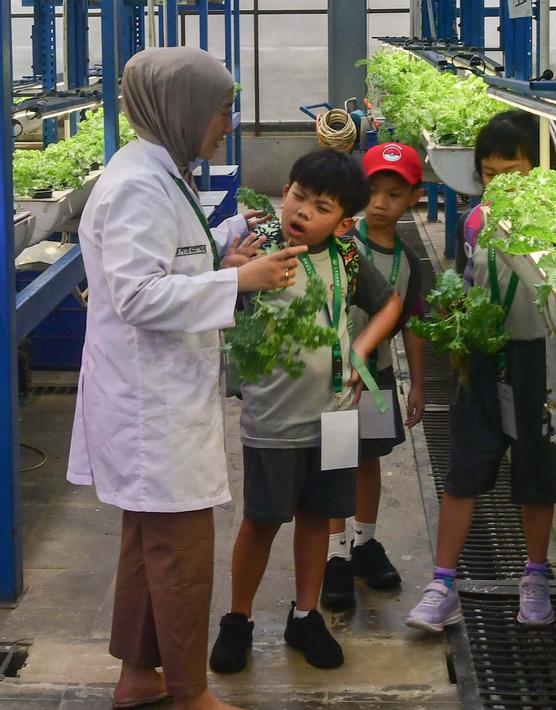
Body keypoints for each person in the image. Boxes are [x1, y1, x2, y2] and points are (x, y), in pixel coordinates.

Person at [66, 46, 305, 710]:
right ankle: (190, 693)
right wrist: (237, 280)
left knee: (149, 546)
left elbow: (163, 271)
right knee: (181, 555)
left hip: (157, 393)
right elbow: (139, 297)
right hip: (151, 405)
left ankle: (140, 678)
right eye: (221, 111)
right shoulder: (140, 184)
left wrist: (221, 260)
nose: (226, 125)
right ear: (184, 110)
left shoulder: (160, 171)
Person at [208, 150, 402, 672]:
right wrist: (228, 278)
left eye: (320, 206)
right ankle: (238, 618)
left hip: (337, 415)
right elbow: (213, 311)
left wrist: (361, 350)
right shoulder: (257, 252)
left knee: (319, 519)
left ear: (344, 221)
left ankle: (305, 614)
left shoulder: (347, 258)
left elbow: (390, 304)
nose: (300, 210)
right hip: (273, 417)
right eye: (297, 194)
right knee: (261, 521)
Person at [405, 110, 556, 633]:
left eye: (514, 172)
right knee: (464, 468)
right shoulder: (475, 220)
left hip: (540, 360)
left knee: (538, 476)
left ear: (539, 169)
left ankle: (535, 577)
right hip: (485, 355)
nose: (500, 184)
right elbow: (467, 277)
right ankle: (442, 583)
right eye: (490, 173)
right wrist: (456, 317)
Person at [321, 142, 428, 611]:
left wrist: (417, 384)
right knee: (337, 460)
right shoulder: (340, 244)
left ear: (414, 198)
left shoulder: (409, 263)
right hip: (338, 378)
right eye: (373, 192)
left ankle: (365, 542)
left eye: (394, 194)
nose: (381, 204)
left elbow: (413, 327)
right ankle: (335, 552)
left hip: (379, 375)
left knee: (368, 460)